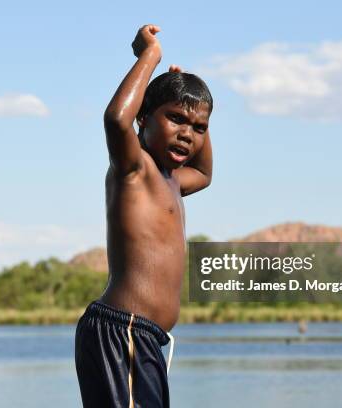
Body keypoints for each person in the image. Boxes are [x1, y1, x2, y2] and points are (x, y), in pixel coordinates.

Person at [75, 24, 213, 408]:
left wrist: (187, 94)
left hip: (145, 337)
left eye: (198, 128)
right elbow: (116, 120)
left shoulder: (174, 180)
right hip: (124, 332)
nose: (188, 134)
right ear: (144, 119)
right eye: (175, 120)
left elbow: (204, 174)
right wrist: (148, 57)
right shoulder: (135, 168)